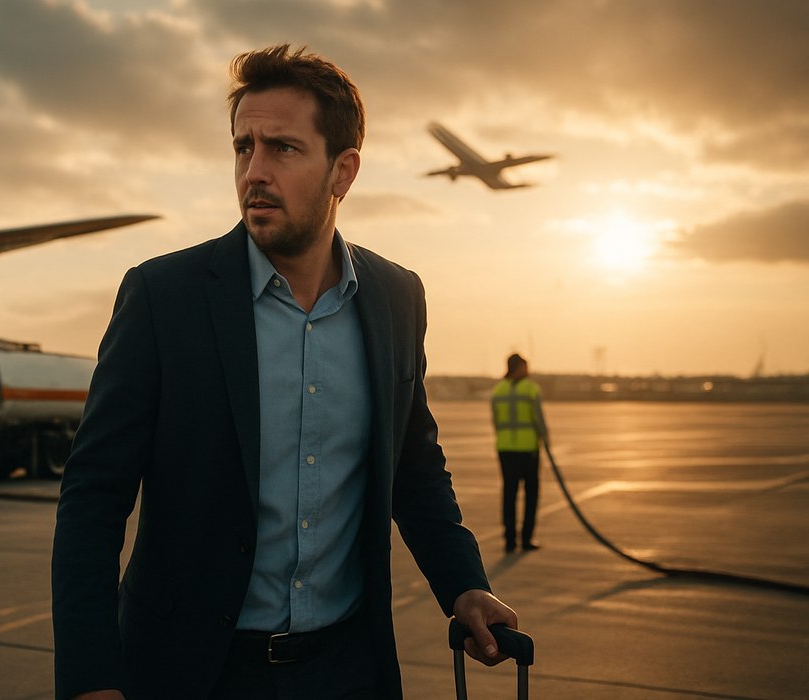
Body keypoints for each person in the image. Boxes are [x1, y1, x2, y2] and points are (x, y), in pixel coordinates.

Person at [51, 45, 518, 700]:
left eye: (283, 149)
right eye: (244, 148)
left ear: (342, 171)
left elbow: (413, 466)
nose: (254, 172)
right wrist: (91, 679)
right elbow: (93, 498)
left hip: (348, 670)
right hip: (192, 673)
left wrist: (464, 585)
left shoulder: (396, 297)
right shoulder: (164, 297)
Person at [490, 354, 548, 553]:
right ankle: (526, 539)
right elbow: (538, 418)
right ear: (519, 367)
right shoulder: (531, 389)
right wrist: (545, 438)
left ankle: (509, 540)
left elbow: (495, 420)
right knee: (531, 494)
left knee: (509, 494)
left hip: (505, 448)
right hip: (528, 449)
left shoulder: (498, 390)